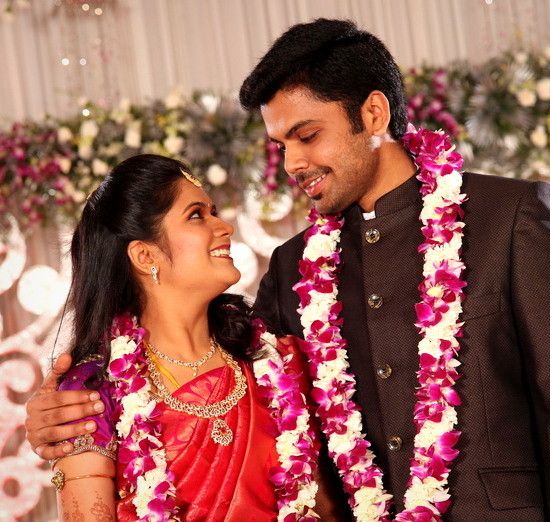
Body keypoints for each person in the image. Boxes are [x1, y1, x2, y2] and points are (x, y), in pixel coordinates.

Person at [27, 18, 550, 521]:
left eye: (307, 136)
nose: (291, 162)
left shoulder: (510, 216)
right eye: (280, 143)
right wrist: (57, 418)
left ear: (372, 114)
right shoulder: (292, 270)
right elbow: (232, 375)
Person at [35, 154, 339, 520]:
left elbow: (323, 509)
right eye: (197, 215)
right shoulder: (93, 391)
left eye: (213, 211)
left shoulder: (274, 360)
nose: (224, 226)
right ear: (145, 254)